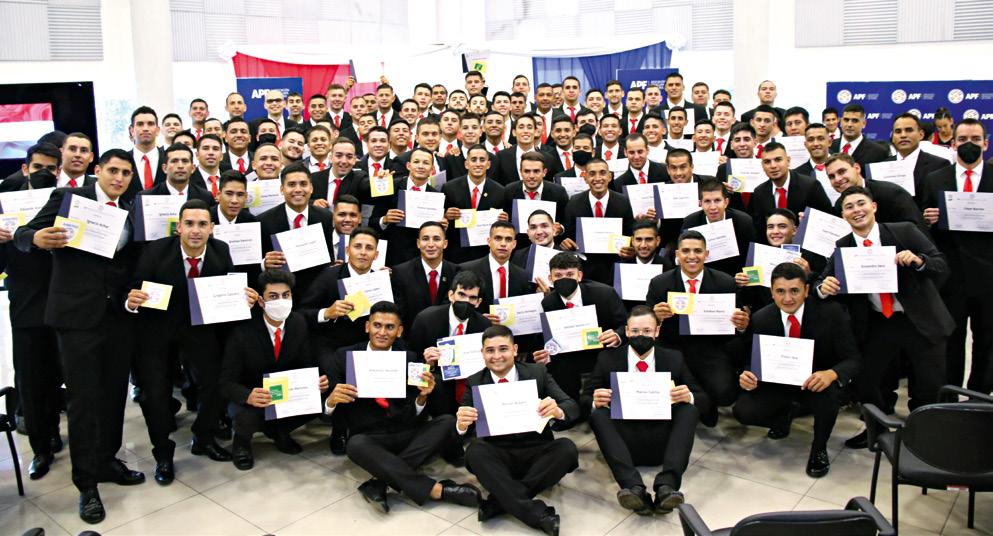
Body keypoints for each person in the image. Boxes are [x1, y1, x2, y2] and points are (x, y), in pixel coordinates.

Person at [15, 149, 146, 523]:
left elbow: (127, 265)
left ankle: (107, 460)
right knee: (84, 399)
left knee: (113, 394)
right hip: (76, 316)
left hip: (117, 317)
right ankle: (86, 484)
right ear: (97, 170)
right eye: (113, 170)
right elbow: (24, 234)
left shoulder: (130, 210)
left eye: (126, 173)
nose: (119, 178)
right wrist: (37, 239)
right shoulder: (69, 199)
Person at [127, 199, 255, 483]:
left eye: (202, 224)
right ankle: (163, 453)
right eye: (189, 224)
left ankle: (204, 437)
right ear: (179, 228)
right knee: (156, 393)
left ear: (211, 228)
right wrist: (132, 300)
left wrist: (242, 298)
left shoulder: (221, 251)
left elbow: (230, 289)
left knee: (215, 382)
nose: (195, 230)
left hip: (201, 329)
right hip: (158, 330)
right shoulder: (156, 251)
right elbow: (136, 287)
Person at [816, 186, 954, 448]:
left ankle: (925, 437)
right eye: (849, 207)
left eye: (861, 203)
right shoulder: (844, 246)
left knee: (929, 383)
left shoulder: (904, 231)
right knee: (868, 380)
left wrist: (919, 260)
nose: (856, 210)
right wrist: (824, 287)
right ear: (843, 215)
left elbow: (940, 264)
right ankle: (876, 431)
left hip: (918, 319)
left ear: (874, 206)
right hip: (880, 321)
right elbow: (821, 282)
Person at [324, 301, 481, 513]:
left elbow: (415, 412)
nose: (382, 332)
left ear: (399, 331)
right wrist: (331, 401)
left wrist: (422, 398)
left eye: (389, 327)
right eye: (377, 325)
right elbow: (327, 413)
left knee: (447, 422)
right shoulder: (343, 357)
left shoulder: (409, 358)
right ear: (367, 326)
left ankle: (380, 482)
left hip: (406, 431)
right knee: (355, 445)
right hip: (370, 437)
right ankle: (437, 490)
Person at [734, 262, 861, 478]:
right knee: (744, 411)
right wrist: (747, 375)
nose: (787, 298)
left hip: (816, 383)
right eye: (780, 291)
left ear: (806, 290)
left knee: (829, 396)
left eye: (794, 291)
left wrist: (831, 374)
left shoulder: (831, 313)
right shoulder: (762, 318)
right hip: (778, 383)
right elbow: (751, 361)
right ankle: (784, 417)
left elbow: (853, 359)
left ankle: (819, 448)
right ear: (772, 292)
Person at [457, 325, 579, 536]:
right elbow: (464, 426)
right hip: (498, 454)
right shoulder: (474, 381)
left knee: (566, 449)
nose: (497, 356)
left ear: (514, 350)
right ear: (482, 353)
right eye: (490, 350)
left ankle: (500, 501)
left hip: (537, 451)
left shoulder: (537, 372)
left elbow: (572, 406)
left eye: (503, 349)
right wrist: (461, 425)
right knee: (475, 452)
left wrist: (558, 411)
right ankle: (536, 514)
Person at [583, 306, 707, 514]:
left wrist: (689, 397)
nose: (641, 335)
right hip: (623, 442)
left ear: (657, 331)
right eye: (635, 331)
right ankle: (633, 488)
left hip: (663, 441)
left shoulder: (673, 358)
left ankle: (667, 487)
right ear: (626, 331)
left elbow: (703, 399)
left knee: (689, 410)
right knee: (598, 414)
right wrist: (595, 400)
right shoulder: (607, 359)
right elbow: (584, 399)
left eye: (647, 331)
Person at [219, 269, 327, 470]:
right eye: (273, 296)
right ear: (261, 301)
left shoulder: (298, 323)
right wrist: (248, 396)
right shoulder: (242, 331)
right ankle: (241, 442)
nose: (281, 301)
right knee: (244, 416)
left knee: (321, 401)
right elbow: (226, 383)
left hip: (284, 392)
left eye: (286, 295)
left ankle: (280, 431)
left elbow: (306, 363)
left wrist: (315, 382)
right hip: (253, 394)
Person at [0, 145, 64, 481]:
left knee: (63, 374)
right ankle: (42, 447)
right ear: (25, 169)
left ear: (59, 171)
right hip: (26, 303)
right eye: (38, 167)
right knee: (32, 379)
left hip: (65, 300)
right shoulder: (4, 201)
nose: (44, 173)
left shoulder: (67, 200)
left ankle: (67, 435)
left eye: (50, 168)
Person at [645, 230, 750, 427]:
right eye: (686, 251)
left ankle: (704, 402)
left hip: (710, 349)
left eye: (698, 251)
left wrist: (742, 325)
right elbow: (646, 324)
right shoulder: (660, 283)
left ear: (706, 254)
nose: (691, 256)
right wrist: (656, 317)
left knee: (726, 393)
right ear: (677, 254)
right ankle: (701, 405)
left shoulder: (725, 282)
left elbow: (735, 327)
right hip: (673, 348)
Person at [920, 118, 993, 393]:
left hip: (989, 276)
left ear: (985, 144)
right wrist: (928, 219)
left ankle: (978, 397)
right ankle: (949, 397)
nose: (968, 144)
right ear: (953, 143)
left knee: (987, 340)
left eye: (975, 139)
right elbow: (923, 228)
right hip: (950, 277)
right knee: (949, 339)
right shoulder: (935, 179)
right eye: (962, 139)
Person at [534, 252, 627, 413]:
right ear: (550, 278)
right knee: (557, 367)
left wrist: (617, 335)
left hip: (601, 353)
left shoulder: (604, 294)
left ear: (580, 276)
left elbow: (625, 325)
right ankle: (570, 411)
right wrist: (545, 354)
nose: (564, 279)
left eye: (570, 274)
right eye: (558, 275)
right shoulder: (548, 303)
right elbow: (547, 340)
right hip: (568, 359)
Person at [257, 161, 336, 298]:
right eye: (292, 184)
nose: (298, 189)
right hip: (280, 293)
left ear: (311, 188)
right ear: (282, 189)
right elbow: (257, 263)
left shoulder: (325, 217)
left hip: (316, 293)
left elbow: (328, 258)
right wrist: (264, 263)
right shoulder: (264, 221)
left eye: (303, 184)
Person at [560, 158, 635, 285]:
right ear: (585, 178)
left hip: (613, 266)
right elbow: (568, 234)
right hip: (584, 268)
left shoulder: (623, 202)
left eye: (602, 173)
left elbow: (629, 233)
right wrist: (565, 242)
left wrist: (629, 249)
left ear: (610, 176)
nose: (598, 178)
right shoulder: (574, 202)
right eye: (592, 174)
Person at [823, 152, 926, 232]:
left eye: (842, 172)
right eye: (831, 176)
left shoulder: (891, 193)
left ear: (857, 168)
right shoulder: (839, 205)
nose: (837, 179)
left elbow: (917, 230)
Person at [750, 142, 833, 240]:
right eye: (767, 162)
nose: (773, 166)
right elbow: (759, 230)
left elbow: (828, 222)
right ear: (762, 165)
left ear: (788, 161)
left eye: (778, 160)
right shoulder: (759, 192)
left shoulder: (811, 186)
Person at [441, 144, 508, 263]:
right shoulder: (449, 188)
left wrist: (504, 220)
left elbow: (503, 226)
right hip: (456, 254)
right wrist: (446, 216)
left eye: (482, 160)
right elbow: (440, 220)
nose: (478, 164)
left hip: (485, 254)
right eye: (473, 160)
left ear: (488, 164)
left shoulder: (500, 191)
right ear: (466, 164)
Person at [391, 221, 460, 331]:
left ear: (445, 243)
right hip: (412, 336)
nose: (431, 244)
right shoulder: (401, 273)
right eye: (425, 239)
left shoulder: (456, 272)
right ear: (418, 243)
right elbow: (399, 314)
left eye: (436, 239)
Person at [680, 178, 756, 276]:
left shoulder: (743, 222)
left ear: (726, 202)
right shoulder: (691, 223)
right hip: (704, 275)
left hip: (735, 275)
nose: (713, 207)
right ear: (700, 204)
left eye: (717, 200)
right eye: (707, 201)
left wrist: (742, 276)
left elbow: (749, 258)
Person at [459, 221, 534, 309]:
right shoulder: (467, 269)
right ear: (489, 241)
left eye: (508, 239)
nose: (503, 244)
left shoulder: (522, 276)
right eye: (498, 238)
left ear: (514, 244)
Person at [883, 112, 951, 205]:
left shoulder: (939, 165)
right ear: (893, 137)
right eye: (898, 131)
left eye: (909, 130)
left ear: (921, 135)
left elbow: (944, 203)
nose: (903, 135)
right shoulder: (883, 166)